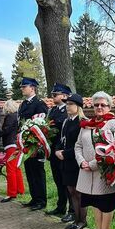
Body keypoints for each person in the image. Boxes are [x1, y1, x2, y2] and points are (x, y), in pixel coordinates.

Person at [75, 91, 115, 229]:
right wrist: (82, 162)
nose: (99, 107)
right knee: (94, 203)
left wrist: (93, 164)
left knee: (106, 204)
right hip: (87, 173)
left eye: (103, 105)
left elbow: (113, 149)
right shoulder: (87, 125)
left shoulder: (113, 124)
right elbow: (78, 145)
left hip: (104, 172)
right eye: (96, 105)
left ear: (109, 106)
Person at [55, 93, 86, 229]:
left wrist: (65, 154)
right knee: (71, 191)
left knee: (79, 193)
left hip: (75, 161)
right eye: (67, 104)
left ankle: (82, 220)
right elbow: (62, 139)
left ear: (78, 106)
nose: (68, 106)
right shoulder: (67, 121)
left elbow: (81, 145)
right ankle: (75, 218)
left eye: (71, 104)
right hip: (65, 162)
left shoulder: (82, 122)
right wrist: (57, 150)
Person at [17, 78, 49, 210]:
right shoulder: (23, 104)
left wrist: (37, 145)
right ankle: (34, 198)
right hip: (26, 144)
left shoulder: (39, 104)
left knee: (38, 172)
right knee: (29, 172)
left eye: (25, 86)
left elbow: (42, 125)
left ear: (33, 88)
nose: (22, 88)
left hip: (36, 144)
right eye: (22, 87)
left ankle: (41, 200)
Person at [45, 83, 72, 218]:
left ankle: (72, 210)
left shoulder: (67, 110)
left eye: (55, 94)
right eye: (53, 95)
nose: (53, 97)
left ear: (64, 96)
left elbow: (58, 127)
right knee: (57, 180)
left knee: (67, 182)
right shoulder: (53, 110)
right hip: (53, 151)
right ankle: (61, 206)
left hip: (64, 151)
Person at [0, 100, 25, 203]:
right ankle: (20, 189)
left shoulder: (10, 117)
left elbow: (6, 130)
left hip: (10, 144)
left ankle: (11, 193)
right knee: (16, 168)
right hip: (16, 144)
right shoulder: (17, 116)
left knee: (10, 169)